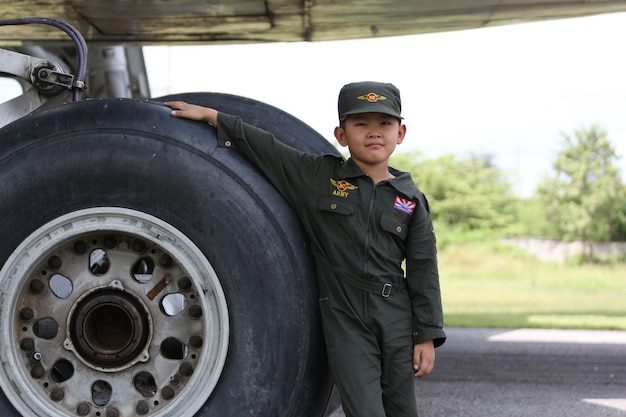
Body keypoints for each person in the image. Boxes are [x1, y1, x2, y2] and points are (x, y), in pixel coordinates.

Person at [165, 81, 445, 417]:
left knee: (403, 410)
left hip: (396, 316)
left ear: (400, 133)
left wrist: (425, 336)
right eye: (361, 124)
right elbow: (266, 147)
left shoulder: (410, 199)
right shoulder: (318, 177)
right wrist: (213, 116)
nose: (374, 133)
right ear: (341, 135)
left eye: (384, 124)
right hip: (346, 317)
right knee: (366, 411)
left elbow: (424, 270)